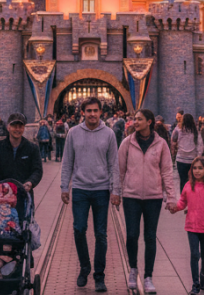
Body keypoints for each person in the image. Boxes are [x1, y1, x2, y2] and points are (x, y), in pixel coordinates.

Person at [61, 97, 121, 292]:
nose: (92, 114)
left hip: (101, 190)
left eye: (95, 110)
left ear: (101, 112)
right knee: (79, 229)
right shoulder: (73, 133)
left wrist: (115, 190)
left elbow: (114, 164)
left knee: (101, 234)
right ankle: (85, 266)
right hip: (80, 188)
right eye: (89, 111)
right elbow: (67, 161)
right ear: (83, 113)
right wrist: (64, 187)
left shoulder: (109, 134)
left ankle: (99, 275)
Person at [118, 108, 176, 294]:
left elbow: (167, 171)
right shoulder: (127, 143)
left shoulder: (161, 145)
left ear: (149, 122)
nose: (135, 122)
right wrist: (116, 192)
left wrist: (171, 197)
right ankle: (133, 270)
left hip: (153, 197)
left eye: (139, 119)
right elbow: (119, 170)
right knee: (132, 235)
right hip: (131, 196)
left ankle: (148, 276)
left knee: (150, 237)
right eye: (134, 119)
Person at [172, 156, 204, 295]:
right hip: (191, 226)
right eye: (195, 168)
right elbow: (182, 202)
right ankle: (195, 284)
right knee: (194, 254)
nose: (197, 171)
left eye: (200, 168)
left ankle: (203, 274)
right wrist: (175, 207)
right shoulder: (188, 185)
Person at [0, 113, 43, 193]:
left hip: (23, 192)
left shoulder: (32, 148)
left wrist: (31, 182)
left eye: (20, 127)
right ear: (8, 127)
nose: (17, 129)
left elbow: (37, 170)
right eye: (14, 126)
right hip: (3, 193)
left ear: (23, 128)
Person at [172, 114, 204, 194]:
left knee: (182, 180)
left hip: (180, 159)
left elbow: (173, 141)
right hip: (192, 160)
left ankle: (183, 199)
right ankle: (192, 197)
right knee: (192, 180)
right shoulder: (196, 132)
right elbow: (201, 146)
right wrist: (198, 157)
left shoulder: (177, 130)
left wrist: (174, 153)